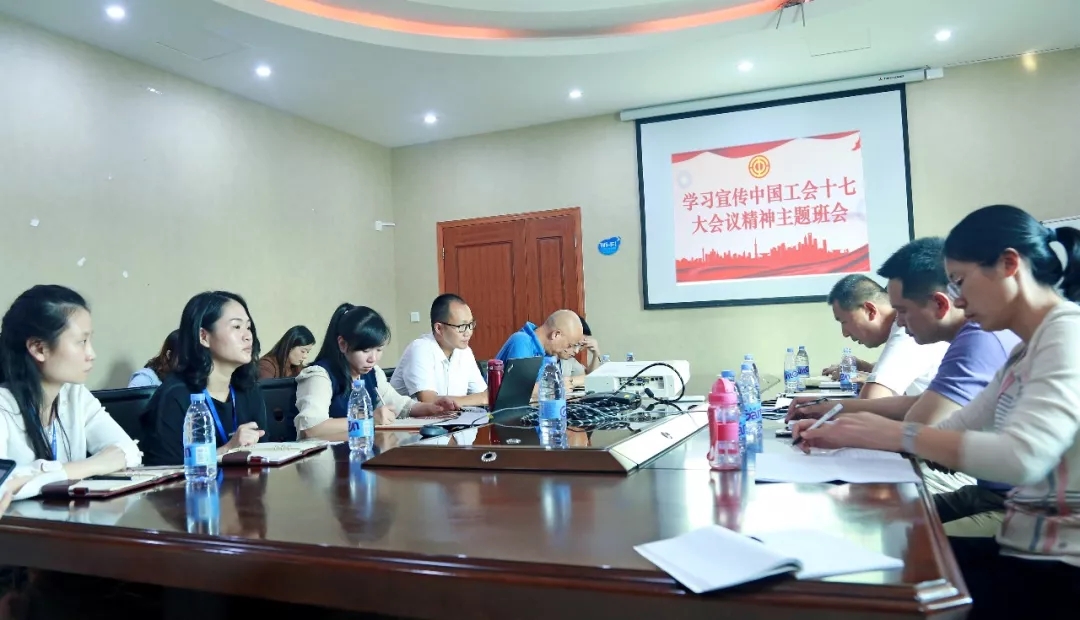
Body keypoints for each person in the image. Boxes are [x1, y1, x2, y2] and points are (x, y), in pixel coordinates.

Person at [794, 205, 1080, 617]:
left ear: (1009, 265)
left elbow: (1024, 457)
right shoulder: (1024, 349)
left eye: (960, 281)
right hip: (1025, 544)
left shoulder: (1066, 333)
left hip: (1056, 566)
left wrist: (893, 433)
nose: (958, 299)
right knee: (875, 543)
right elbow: (956, 426)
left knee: (889, 575)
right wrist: (852, 426)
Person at [790, 237, 1020, 537]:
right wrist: (832, 410)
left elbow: (917, 428)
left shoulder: (980, 339)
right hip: (990, 491)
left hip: (1026, 509)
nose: (898, 322)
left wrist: (841, 429)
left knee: (903, 540)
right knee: (878, 516)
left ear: (939, 304)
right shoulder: (971, 334)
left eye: (902, 311)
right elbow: (921, 403)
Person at [0, 285, 140, 486]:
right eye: (82, 341)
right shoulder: (4, 406)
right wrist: (87, 466)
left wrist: (46, 475)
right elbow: (4, 483)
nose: (91, 354)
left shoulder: (75, 395)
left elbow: (129, 451)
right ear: (39, 349)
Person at [294, 304, 458, 440]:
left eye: (379, 350)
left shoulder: (372, 373)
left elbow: (400, 405)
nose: (373, 358)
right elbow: (311, 428)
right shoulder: (319, 376)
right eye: (365, 350)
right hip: (326, 461)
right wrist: (369, 419)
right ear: (343, 344)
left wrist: (432, 408)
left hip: (361, 453)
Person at [141, 292, 267, 466]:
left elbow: (265, 453)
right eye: (237, 327)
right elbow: (165, 471)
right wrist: (227, 449)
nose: (248, 336)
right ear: (204, 337)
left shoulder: (248, 390)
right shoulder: (174, 397)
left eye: (248, 327)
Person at [821, 275, 947, 398]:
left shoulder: (906, 332)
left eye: (844, 322)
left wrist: (820, 406)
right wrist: (868, 369)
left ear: (870, 310)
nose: (845, 333)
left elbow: (872, 398)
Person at [390, 294, 487, 407]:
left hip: (450, 417)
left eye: (470, 324)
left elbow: (483, 394)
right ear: (439, 328)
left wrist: (483, 397)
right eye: (461, 326)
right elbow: (429, 402)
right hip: (405, 418)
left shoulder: (465, 352)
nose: (468, 332)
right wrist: (482, 398)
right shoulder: (420, 349)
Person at [560, 315, 601, 389]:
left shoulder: (569, 359)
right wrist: (573, 381)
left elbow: (590, 376)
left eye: (581, 345)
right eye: (575, 344)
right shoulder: (546, 357)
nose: (576, 351)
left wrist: (596, 355)